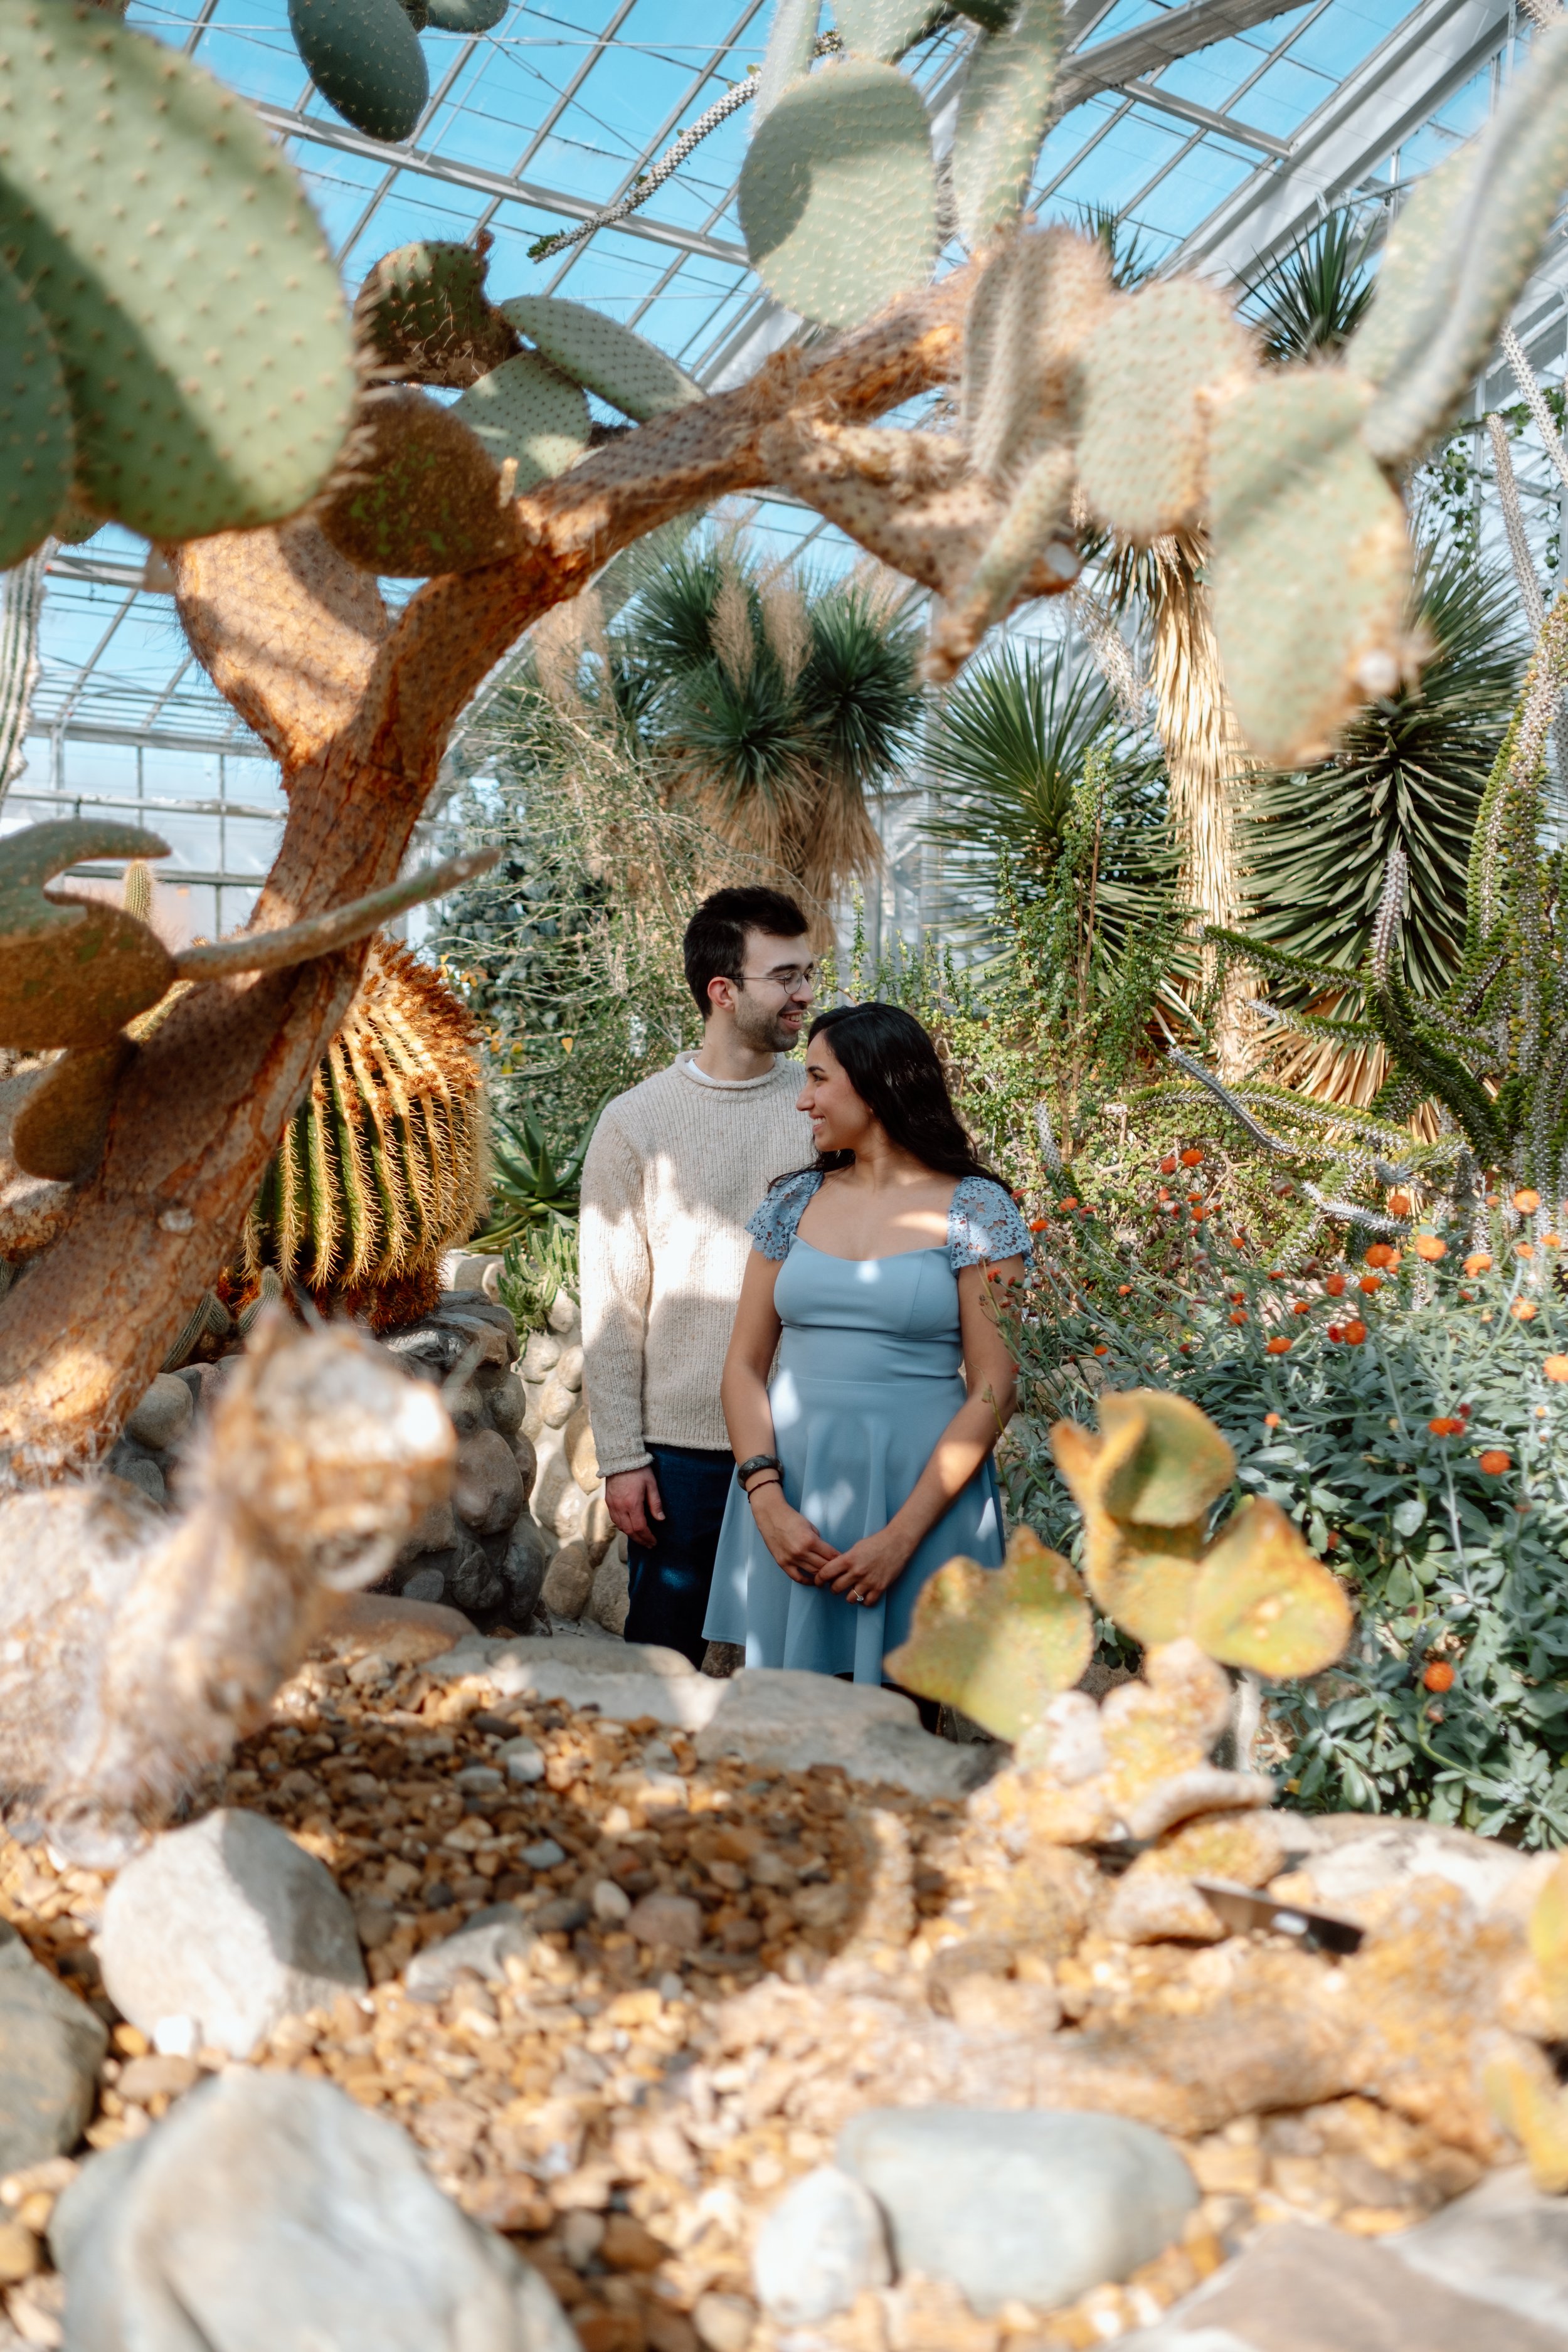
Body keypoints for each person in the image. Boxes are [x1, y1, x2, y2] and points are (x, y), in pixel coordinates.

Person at [703, 1001, 1031, 1685]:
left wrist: (901, 1536)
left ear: (875, 1085)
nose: (803, 1100)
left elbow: (996, 1389)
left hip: (922, 1505)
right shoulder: (789, 1204)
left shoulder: (978, 1210)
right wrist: (765, 1500)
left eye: (818, 1078)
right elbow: (741, 1366)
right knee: (785, 1727)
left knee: (904, 1743)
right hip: (793, 1498)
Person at [580, 886, 817, 1666]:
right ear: (723, 992)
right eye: (784, 976)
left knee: (800, 1671)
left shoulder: (827, 1111)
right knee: (661, 1670)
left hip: (810, 1439)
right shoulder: (635, 1122)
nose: (805, 994)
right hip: (681, 1454)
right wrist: (621, 1457)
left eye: (807, 973)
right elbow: (613, 1301)